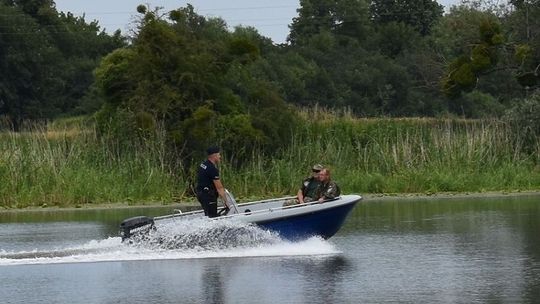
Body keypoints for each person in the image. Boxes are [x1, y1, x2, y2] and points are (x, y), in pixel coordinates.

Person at [196, 146, 230, 218]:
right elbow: (219, 188)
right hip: (208, 196)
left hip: (200, 194)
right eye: (219, 155)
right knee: (212, 217)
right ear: (214, 156)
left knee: (208, 215)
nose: (220, 157)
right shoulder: (212, 169)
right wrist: (226, 202)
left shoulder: (203, 165)